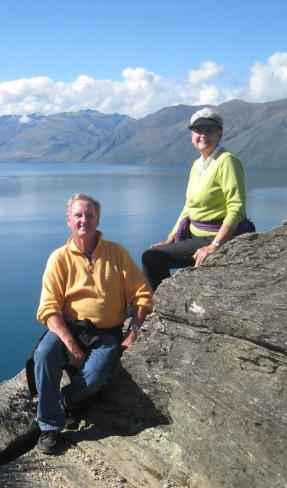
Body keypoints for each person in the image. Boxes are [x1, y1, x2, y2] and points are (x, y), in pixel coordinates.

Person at [33, 193, 153, 454]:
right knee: (44, 355)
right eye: (78, 215)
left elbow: (142, 293)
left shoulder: (117, 253)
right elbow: (48, 308)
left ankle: (65, 400)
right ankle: (49, 426)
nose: (83, 220)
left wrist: (134, 330)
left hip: (106, 332)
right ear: (68, 220)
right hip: (69, 327)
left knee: (96, 376)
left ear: (98, 219)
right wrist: (70, 344)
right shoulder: (59, 258)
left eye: (89, 215)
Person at [141, 108, 255, 291]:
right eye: (198, 130)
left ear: (220, 133)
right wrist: (171, 238)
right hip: (195, 234)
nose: (203, 135)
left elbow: (236, 208)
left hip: (215, 235)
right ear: (191, 135)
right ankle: (164, 305)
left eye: (209, 130)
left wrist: (214, 245)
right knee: (153, 254)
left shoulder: (226, 161)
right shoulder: (197, 165)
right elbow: (189, 207)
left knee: (151, 258)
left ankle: (159, 307)